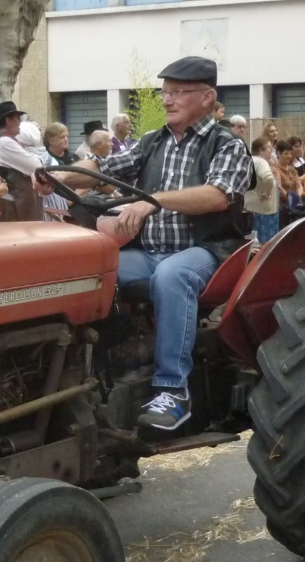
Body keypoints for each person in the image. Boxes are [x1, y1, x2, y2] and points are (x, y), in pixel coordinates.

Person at [89, 56, 252, 431]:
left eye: (178, 92)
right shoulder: (152, 142)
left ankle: (173, 391)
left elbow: (217, 196)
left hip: (208, 251)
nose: (167, 100)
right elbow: (104, 168)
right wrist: (54, 176)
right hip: (149, 252)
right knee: (91, 269)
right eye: (165, 92)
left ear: (208, 97)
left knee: (171, 275)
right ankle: (95, 373)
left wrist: (152, 200)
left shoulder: (226, 144)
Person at [0, 100, 48, 222]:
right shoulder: (4, 143)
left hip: (13, 204)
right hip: (12, 206)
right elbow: (36, 166)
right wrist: (39, 158)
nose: (20, 122)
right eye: (17, 118)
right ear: (8, 120)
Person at [245, 137, 280, 243]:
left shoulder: (249, 160)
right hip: (264, 212)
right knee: (265, 245)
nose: (272, 150)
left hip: (250, 208)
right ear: (261, 150)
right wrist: (267, 194)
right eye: (269, 148)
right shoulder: (260, 162)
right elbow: (268, 178)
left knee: (252, 243)